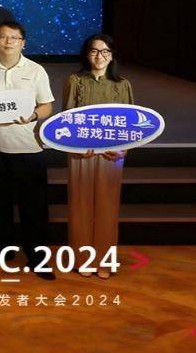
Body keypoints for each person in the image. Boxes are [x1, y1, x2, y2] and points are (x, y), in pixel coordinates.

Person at [0, 20, 55, 279]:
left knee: (34, 207)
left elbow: (46, 105)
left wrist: (33, 116)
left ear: (23, 42)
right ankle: (3, 251)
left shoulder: (35, 70)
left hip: (28, 148)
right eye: (3, 36)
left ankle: (37, 257)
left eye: (14, 37)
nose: (8, 41)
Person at [64, 34, 133, 279]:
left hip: (112, 155)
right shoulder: (75, 80)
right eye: (94, 51)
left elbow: (131, 124)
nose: (99, 56)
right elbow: (66, 118)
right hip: (81, 153)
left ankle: (104, 261)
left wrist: (124, 149)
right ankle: (82, 259)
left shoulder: (122, 84)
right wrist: (75, 147)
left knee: (107, 208)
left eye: (105, 52)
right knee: (80, 207)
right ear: (87, 54)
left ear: (112, 56)